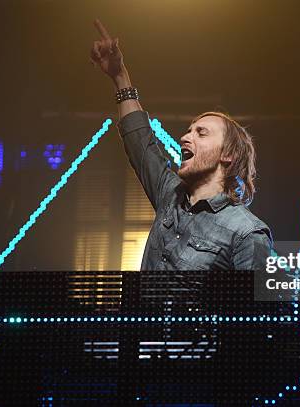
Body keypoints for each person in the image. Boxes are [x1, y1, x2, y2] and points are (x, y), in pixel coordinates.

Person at [90, 19, 273, 271]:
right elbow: (140, 141)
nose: (186, 137)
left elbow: (254, 310)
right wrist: (119, 76)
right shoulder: (170, 194)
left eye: (201, 133)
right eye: (188, 131)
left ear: (228, 155)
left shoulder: (247, 232)